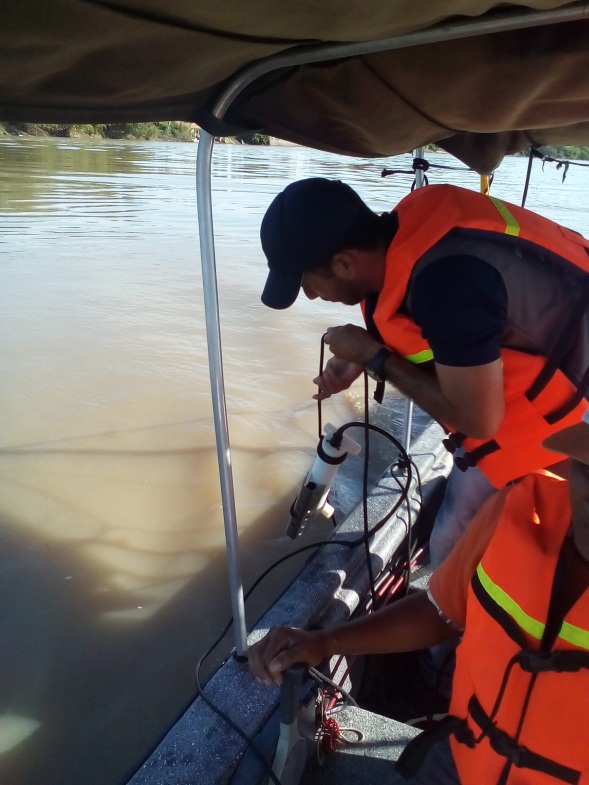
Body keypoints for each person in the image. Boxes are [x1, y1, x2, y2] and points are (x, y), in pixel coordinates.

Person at [260, 178, 589, 564]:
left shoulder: (448, 284)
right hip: (537, 389)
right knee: (448, 535)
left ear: (344, 263)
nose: (312, 296)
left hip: (568, 428)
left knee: (461, 554)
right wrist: (370, 352)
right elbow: (447, 327)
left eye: (308, 285)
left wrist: (374, 358)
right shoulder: (411, 226)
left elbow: (478, 420)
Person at [248, 415, 589, 784]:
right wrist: (324, 641)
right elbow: (440, 611)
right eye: (588, 469)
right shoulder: (517, 510)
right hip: (463, 757)